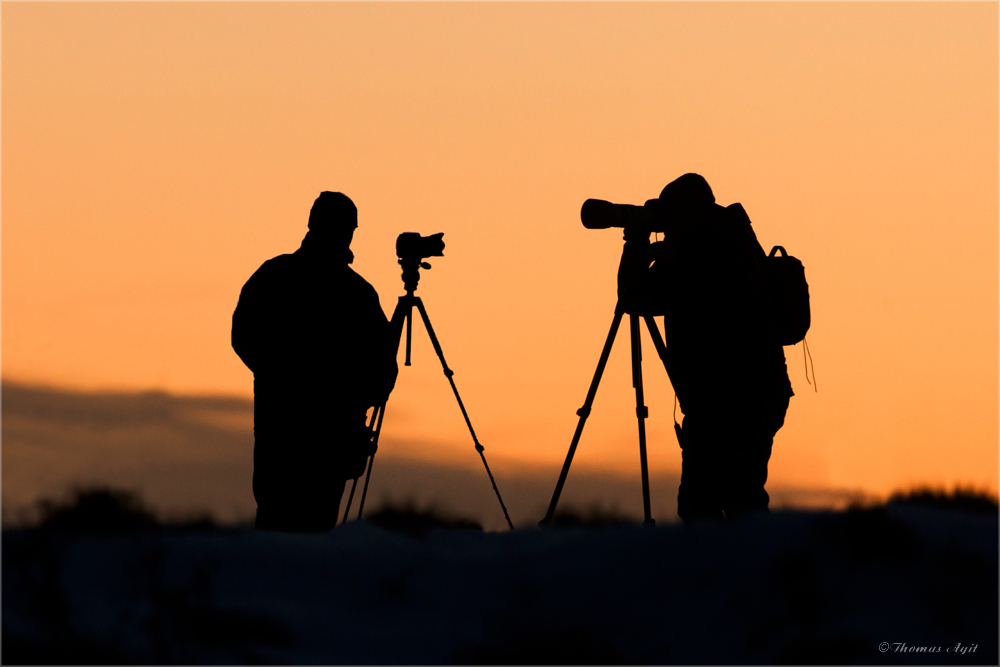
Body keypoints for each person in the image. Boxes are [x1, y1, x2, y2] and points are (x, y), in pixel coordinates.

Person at [619, 173, 793, 521]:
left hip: (726, 401)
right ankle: (747, 569)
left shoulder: (699, 253)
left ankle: (724, 572)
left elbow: (634, 295)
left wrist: (636, 243)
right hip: (755, 393)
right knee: (742, 502)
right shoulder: (731, 239)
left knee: (704, 511)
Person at [232, 192, 398, 531]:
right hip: (287, 439)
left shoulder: (355, 293)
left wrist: (352, 400)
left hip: (321, 443)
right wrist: (293, 380)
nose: (342, 234)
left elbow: (382, 368)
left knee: (303, 534)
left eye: (346, 228)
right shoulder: (280, 277)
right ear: (315, 224)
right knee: (288, 532)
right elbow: (245, 337)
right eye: (338, 226)